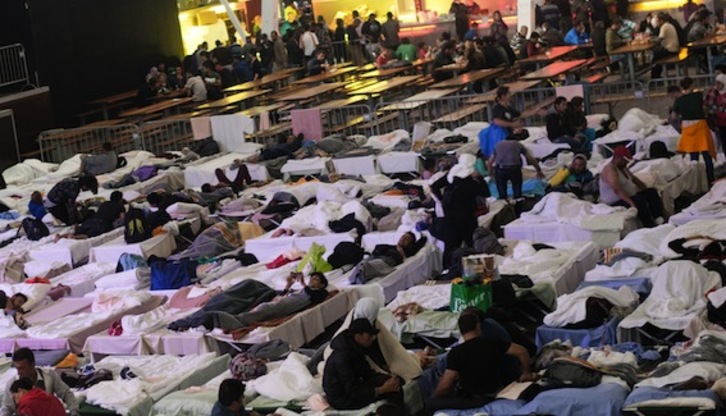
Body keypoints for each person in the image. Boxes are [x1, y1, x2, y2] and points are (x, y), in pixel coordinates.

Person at [423, 312, 525, 416]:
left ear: (461, 331)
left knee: (430, 404)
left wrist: (434, 397)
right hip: (495, 392)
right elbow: (521, 351)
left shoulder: (456, 353)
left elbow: (446, 384)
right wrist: (526, 373)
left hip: (471, 400)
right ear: (478, 326)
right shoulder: (493, 343)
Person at [323, 318, 404, 410]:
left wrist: (390, 379)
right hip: (343, 399)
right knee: (391, 391)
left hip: (355, 387)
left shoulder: (356, 349)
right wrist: (382, 390)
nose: (372, 338)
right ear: (358, 336)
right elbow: (352, 391)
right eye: (369, 335)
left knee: (395, 384)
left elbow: (367, 373)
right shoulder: (342, 358)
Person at [211, 272, 329, 330]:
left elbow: (313, 297)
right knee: (260, 303)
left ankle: (236, 321)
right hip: (281, 300)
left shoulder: (321, 293)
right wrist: (288, 284)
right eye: (311, 279)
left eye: (315, 280)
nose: (311, 281)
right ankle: (232, 317)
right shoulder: (304, 289)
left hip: (289, 304)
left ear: (322, 284)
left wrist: (303, 283)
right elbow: (283, 295)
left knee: (265, 309)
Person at [430, 154, 490, 267]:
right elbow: (486, 193)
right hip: (467, 217)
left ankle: (448, 269)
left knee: (451, 244)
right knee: (471, 243)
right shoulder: (470, 180)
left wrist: (442, 201)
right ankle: (472, 269)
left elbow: (434, 187)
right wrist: (479, 178)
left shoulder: (452, 175)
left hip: (450, 216)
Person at [599, 146, 665, 227]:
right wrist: (631, 203)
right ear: (617, 158)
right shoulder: (610, 170)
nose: (626, 162)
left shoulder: (623, 167)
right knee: (638, 200)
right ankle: (649, 225)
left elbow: (634, 179)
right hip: (615, 201)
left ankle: (658, 218)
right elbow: (617, 189)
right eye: (625, 160)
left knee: (651, 192)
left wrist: (645, 189)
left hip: (628, 196)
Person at [0, 348, 78, 416]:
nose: (19, 373)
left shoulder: (49, 376)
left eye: (22, 368)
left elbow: (67, 394)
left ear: (32, 364)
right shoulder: (12, 384)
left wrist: (74, 412)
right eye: (17, 368)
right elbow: (6, 408)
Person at [672, 77, 716, 184]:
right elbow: (706, 108)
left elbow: (673, 116)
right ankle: (710, 179)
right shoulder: (698, 95)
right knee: (706, 155)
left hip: (687, 128)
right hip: (700, 126)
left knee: (693, 157)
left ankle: (697, 181)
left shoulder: (679, 100)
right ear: (691, 85)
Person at [487, 134, 544, 199]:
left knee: (502, 194)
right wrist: (538, 170)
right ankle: (518, 204)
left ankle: (504, 204)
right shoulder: (518, 144)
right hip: (514, 169)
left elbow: (489, 163)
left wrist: (491, 174)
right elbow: (530, 159)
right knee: (517, 192)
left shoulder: (498, 145)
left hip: (500, 169)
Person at [479, 86, 524, 158]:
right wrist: (512, 124)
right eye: (508, 93)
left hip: (508, 133)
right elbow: (497, 121)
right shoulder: (497, 108)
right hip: (501, 135)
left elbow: (520, 114)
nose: (510, 95)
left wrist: (535, 111)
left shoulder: (508, 108)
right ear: (503, 96)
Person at [651, 13, 680, 79]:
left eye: (657, 21)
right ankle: (656, 77)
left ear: (661, 20)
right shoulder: (668, 25)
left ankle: (655, 78)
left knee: (655, 57)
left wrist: (649, 40)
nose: (656, 23)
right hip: (674, 48)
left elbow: (659, 39)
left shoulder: (664, 26)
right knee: (656, 55)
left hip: (670, 49)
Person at [706, 74, 726, 159]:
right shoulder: (714, 94)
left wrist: (717, 110)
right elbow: (710, 107)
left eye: (719, 83)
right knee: (724, 144)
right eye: (716, 83)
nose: (717, 86)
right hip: (720, 124)